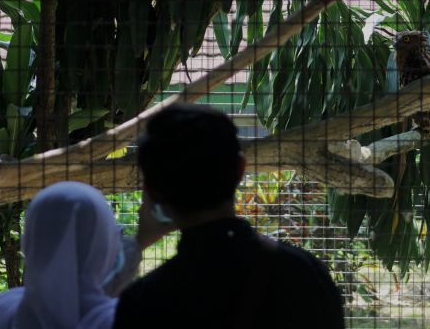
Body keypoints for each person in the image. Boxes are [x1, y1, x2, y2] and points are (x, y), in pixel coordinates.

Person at [113, 104, 345, 329]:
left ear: (151, 190)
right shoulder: (305, 275)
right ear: (241, 170)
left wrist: (140, 240)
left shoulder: (145, 302)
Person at [0, 181, 173, 329]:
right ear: (104, 249)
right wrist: (142, 238)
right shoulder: (119, 318)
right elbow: (89, 291)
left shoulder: (0, 310)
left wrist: (141, 241)